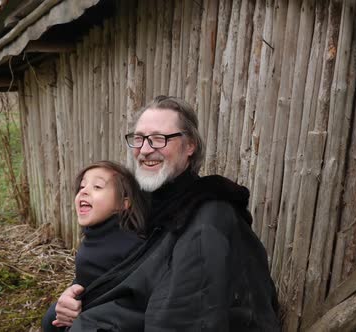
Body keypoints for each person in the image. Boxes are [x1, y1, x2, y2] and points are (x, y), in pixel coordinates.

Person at [54, 96, 280, 331]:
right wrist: (74, 293)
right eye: (139, 139)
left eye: (159, 139)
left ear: (190, 145)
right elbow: (115, 264)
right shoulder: (143, 204)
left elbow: (187, 314)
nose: (145, 150)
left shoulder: (208, 217)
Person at [42, 161, 147, 332]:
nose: (83, 190)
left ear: (123, 203)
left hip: (107, 321)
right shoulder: (95, 234)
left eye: (97, 186)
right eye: (82, 186)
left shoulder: (131, 246)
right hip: (84, 309)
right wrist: (70, 294)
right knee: (51, 318)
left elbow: (134, 299)